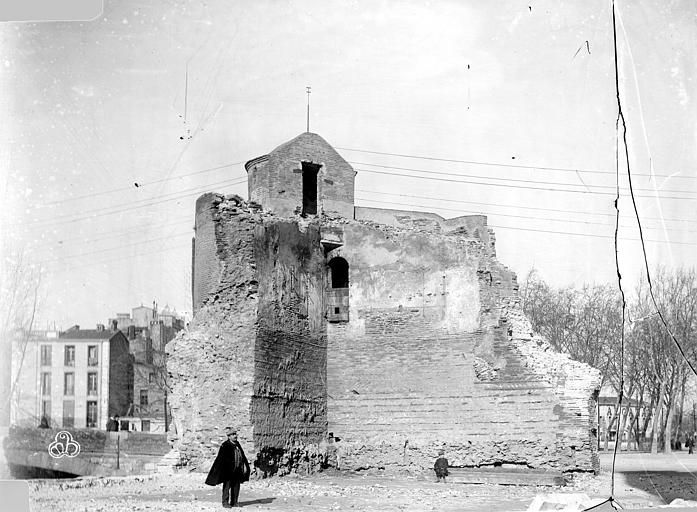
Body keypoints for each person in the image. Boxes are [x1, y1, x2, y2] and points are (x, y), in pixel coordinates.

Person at [205, 427, 250, 508]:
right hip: (228, 471)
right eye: (233, 435)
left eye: (235, 434)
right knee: (227, 487)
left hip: (237, 470)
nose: (235, 436)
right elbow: (220, 459)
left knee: (236, 486)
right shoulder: (225, 445)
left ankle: (234, 502)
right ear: (229, 436)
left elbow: (242, 456)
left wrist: (245, 466)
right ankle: (225, 503)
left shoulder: (237, 444)